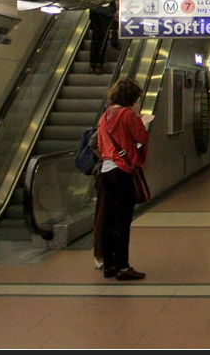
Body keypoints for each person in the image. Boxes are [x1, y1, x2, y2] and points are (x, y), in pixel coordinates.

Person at [96, 77, 149, 280]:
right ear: (131, 98)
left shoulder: (105, 116)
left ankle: (109, 265)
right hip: (122, 171)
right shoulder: (127, 115)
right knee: (122, 220)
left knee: (108, 219)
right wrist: (140, 120)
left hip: (106, 170)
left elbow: (101, 145)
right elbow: (142, 137)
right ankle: (123, 266)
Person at [89, 2, 117, 74]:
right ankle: (99, 65)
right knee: (102, 40)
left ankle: (93, 65)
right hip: (104, 13)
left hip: (94, 10)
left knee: (95, 39)